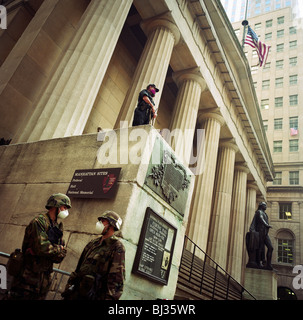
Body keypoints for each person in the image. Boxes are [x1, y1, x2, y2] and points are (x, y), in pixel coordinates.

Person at [7, 193, 71, 300]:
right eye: (64, 207)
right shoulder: (39, 221)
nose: (66, 211)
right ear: (56, 206)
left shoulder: (57, 227)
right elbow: (42, 248)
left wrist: (55, 250)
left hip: (43, 281)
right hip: (28, 278)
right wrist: (59, 248)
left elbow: (59, 257)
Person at [62, 210, 125, 300]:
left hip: (94, 295)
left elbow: (116, 281)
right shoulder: (93, 243)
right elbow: (79, 267)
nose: (99, 223)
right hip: (76, 293)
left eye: (103, 221)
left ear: (111, 225)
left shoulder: (117, 247)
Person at [247, 202, 274, 270]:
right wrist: (267, 225)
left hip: (265, 233)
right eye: (265, 205)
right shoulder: (259, 212)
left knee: (270, 247)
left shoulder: (265, 214)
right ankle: (259, 263)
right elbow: (261, 219)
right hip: (260, 232)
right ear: (261, 206)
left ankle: (268, 264)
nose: (266, 206)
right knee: (260, 248)